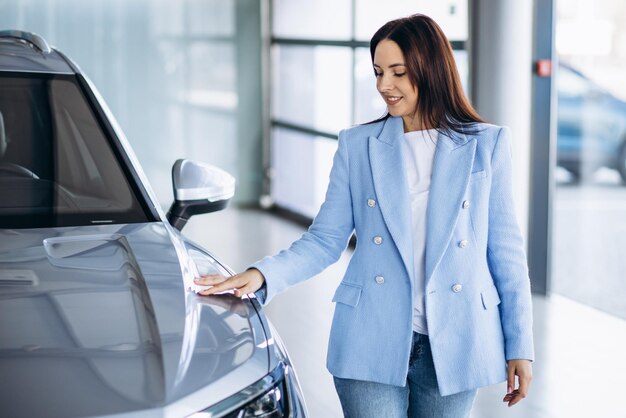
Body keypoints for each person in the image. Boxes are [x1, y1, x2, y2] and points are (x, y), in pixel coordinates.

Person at [195, 13, 534, 418]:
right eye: (377, 72)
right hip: (370, 335)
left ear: (431, 69)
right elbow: (324, 240)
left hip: (458, 338)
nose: (383, 86)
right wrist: (263, 275)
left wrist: (520, 347)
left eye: (398, 72)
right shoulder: (359, 146)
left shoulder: (487, 145)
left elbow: (506, 253)